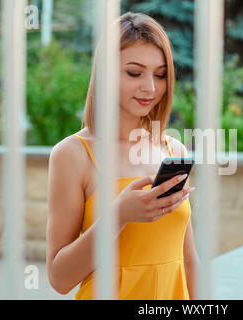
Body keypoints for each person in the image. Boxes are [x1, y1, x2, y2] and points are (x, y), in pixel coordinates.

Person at [46, 12, 199, 300]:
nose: (150, 88)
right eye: (134, 72)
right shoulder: (73, 155)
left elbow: (189, 261)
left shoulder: (173, 150)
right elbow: (59, 278)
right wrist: (118, 216)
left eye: (161, 74)